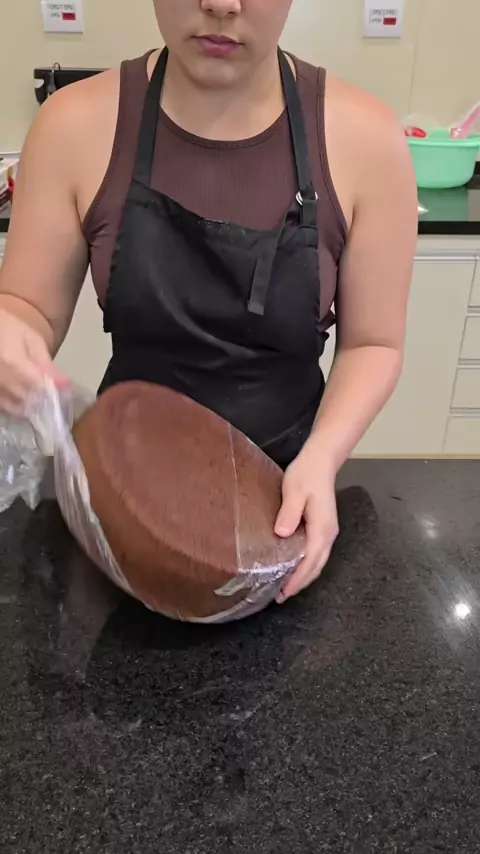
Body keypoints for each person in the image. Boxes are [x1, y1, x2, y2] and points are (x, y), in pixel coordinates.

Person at [0, 0, 417, 602]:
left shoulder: (367, 140)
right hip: (121, 504)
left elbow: (373, 344)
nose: (222, 3)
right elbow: (26, 307)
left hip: (282, 507)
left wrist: (322, 459)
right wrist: (13, 335)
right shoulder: (72, 126)